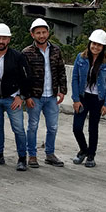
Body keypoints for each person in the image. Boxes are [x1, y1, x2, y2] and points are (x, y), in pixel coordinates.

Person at [0, 23, 33, 171]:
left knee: (18, 129)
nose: (1, 41)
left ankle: (22, 158)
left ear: (9, 40)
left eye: (4, 38)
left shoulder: (18, 56)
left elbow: (26, 78)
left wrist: (21, 96)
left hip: (12, 98)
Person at [22, 18, 68, 168]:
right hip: (35, 97)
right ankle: (32, 155)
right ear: (32, 34)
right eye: (38, 33)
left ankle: (50, 154)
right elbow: (23, 77)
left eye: (44, 32)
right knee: (32, 126)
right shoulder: (27, 53)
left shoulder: (56, 50)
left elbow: (61, 71)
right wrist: (26, 96)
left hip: (52, 96)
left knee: (53, 127)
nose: (41, 35)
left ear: (48, 33)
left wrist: (63, 90)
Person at [71, 29, 106, 168]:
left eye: (99, 45)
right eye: (94, 44)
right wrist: (76, 99)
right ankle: (84, 150)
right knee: (77, 128)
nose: (96, 47)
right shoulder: (81, 58)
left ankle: (91, 156)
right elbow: (75, 78)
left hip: (98, 98)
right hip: (83, 97)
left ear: (103, 47)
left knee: (93, 128)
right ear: (90, 43)